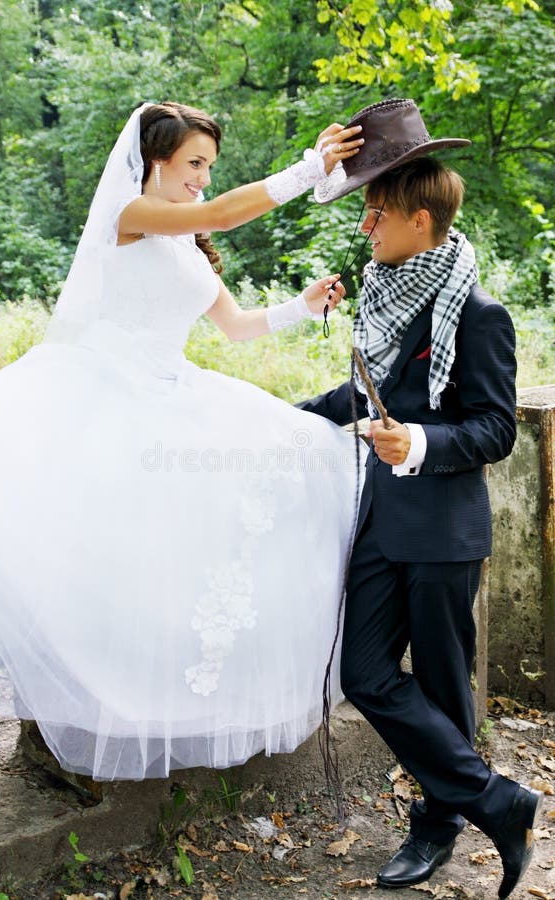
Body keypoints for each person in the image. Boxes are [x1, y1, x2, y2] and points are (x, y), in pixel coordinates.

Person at [0, 101, 367, 781]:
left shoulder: (185, 242)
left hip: (173, 388)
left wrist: (304, 306)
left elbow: (234, 327)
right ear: (154, 161)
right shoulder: (131, 217)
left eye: (210, 165)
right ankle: (71, 720)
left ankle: (186, 689)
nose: (203, 177)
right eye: (193, 164)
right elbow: (222, 213)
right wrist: (307, 170)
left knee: (301, 462)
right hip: (106, 393)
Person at [299, 99, 543, 900]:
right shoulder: (381, 295)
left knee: (444, 686)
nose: (365, 230)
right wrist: (279, 419)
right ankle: (498, 802)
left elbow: (492, 431)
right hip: (378, 523)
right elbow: (362, 391)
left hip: (443, 531)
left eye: (374, 216)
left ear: (417, 218)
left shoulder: (479, 314)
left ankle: (438, 822)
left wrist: (423, 443)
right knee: (366, 675)